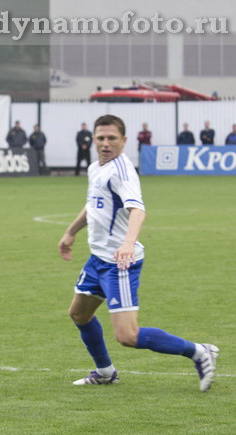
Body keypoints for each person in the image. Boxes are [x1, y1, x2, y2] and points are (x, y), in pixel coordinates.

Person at [58, 114, 218, 392]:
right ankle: (105, 372)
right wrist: (71, 232)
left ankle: (199, 351)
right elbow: (93, 206)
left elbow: (138, 210)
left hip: (119, 263)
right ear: (93, 139)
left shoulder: (122, 171)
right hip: (98, 259)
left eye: (112, 139)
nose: (105, 144)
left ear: (124, 141)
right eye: (101, 138)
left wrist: (129, 243)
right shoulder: (96, 168)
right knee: (79, 315)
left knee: (128, 335)